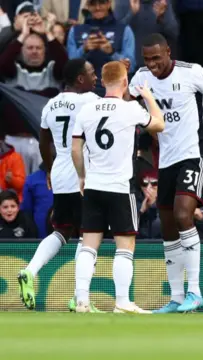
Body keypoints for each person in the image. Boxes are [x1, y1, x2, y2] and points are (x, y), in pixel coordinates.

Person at [128, 33, 203, 313]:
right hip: (165, 161)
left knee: (183, 214)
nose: (152, 64)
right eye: (147, 59)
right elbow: (126, 107)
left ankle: (195, 292)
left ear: (168, 52)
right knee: (168, 226)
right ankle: (176, 297)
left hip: (194, 154)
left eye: (156, 58)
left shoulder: (191, 73)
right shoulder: (140, 78)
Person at [71, 60, 164, 313]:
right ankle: (122, 302)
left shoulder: (87, 111)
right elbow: (159, 124)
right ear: (125, 82)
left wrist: (82, 177)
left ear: (102, 82)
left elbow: (76, 149)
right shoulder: (130, 109)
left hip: (93, 186)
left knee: (89, 243)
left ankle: (82, 300)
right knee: (125, 245)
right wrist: (148, 96)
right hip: (120, 188)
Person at [17, 58, 99, 311]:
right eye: (92, 73)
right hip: (83, 172)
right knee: (88, 235)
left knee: (62, 231)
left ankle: (30, 270)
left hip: (62, 172)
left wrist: (50, 169)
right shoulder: (89, 100)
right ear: (79, 80)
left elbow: (43, 142)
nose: (95, 78)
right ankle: (80, 296)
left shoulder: (50, 104)